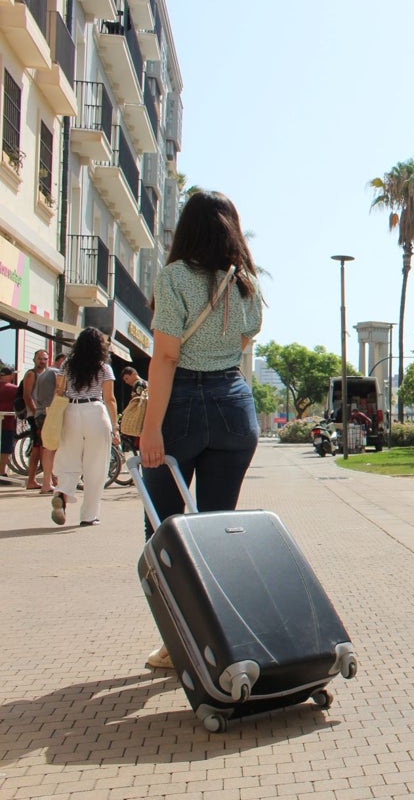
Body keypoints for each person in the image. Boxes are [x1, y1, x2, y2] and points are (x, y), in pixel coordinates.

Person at [138, 190, 262, 671]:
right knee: (217, 530)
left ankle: (177, 641)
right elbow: (244, 342)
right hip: (235, 406)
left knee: (165, 532)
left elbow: (166, 356)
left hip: (182, 406)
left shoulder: (174, 278)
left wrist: (151, 430)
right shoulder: (246, 284)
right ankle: (220, 638)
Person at [48, 329, 119, 527]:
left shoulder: (67, 366)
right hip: (95, 411)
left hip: (71, 411)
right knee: (95, 466)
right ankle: (88, 516)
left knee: (68, 459)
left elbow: (59, 391)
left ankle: (61, 494)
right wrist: (116, 428)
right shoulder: (103, 368)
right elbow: (110, 399)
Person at [33, 353, 66, 494]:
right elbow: (58, 391)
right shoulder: (56, 373)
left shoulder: (45, 373)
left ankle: (49, 481)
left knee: (47, 447)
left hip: (41, 412)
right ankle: (48, 482)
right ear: (61, 361)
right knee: (51, 448)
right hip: (50, 412)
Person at [20, 349, 48, 489]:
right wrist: (37, 412)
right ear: (34, 359)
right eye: (40, 358)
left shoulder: (45, 374)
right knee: (39, 447)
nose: (42, 361)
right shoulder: (31, 374)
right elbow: (27, 395)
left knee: (39, 447)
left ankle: (34, 480)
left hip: (43, 415)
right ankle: (35, 480)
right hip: (36, 416)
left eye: (44, 359)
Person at [0, 365, 17, 476]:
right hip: (7, 422)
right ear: (11, 375)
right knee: (5, 448)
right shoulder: (14, 389)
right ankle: (1, 472)